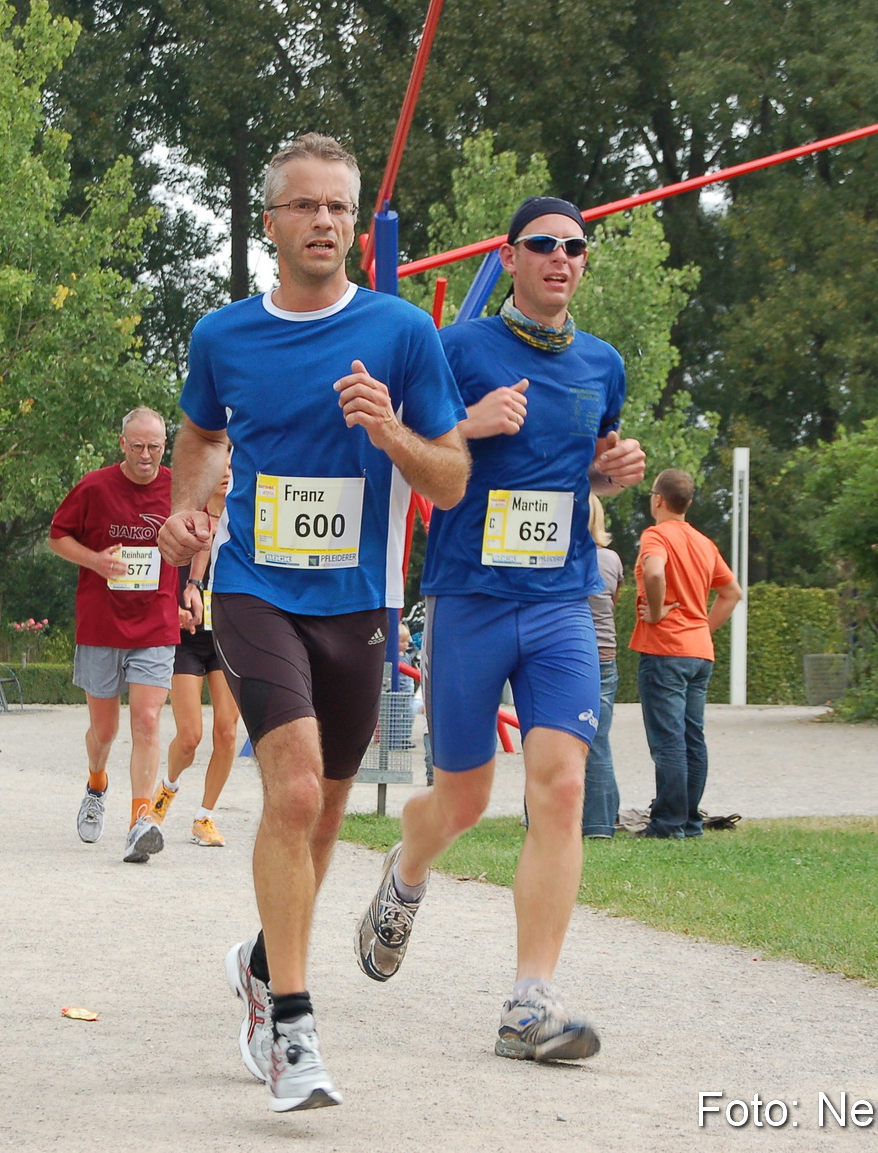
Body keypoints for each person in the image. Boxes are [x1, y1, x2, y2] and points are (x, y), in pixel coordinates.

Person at [159, 132, 468, 1112]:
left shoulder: (401, 333)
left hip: (359, 604)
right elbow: (203, 435)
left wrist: (390, 432)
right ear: (271, 224)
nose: (326, 222)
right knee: (290, 792)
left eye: (340, 207)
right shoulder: (224, 335)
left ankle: (260, 958)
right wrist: (190, 504)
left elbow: (452, 477)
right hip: (254, 588)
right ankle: (292, 1022)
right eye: (307, 206)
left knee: (325, 812)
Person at [353, 195, 645, 1065]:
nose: (561, 258)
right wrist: (469, 426)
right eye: (543, 245)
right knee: (468, 796)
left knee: (558, 784)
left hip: (561, 602)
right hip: (470, 597)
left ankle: (530, 1000)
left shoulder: (603, 364)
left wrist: (614, 472)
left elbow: (583, 466)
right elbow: (389, 445)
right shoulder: (456, 349)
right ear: (511, 258)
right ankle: (407, 871)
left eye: (575, 247)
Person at [48, 406, 181, 864]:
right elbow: (57, 537)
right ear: (122, 444)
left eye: (156, 447)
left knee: (146, 720)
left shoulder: (178, 487)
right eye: (138, 446)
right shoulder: (94, 486)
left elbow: (203, 532)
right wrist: (97, 561)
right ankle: (96, 782)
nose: (147, 456)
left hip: (156, 622)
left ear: (166, 445)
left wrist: (196, 584)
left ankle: (140, 822)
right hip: (102, 622)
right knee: (104, 730)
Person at [629, 469, 742, 839]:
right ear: (688, 503)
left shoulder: (656, 535)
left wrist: (659, 612)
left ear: (657, 499)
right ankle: (691, 821)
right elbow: (732, 594)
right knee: (693, 737)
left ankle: (668, 823)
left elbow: (655, 572)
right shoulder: (703, 542)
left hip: (664, 651)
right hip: (699, 653)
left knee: (668, 741)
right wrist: (702, 629)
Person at [156, 465, 239, 847]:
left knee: (226, 731)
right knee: (190, 736)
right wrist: (172, 609)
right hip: (187, 638)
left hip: (230, 636)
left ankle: (204, 817)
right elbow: (159, 573)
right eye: (218, 466)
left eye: (231, 466)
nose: (225, 473)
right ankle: (164, 792)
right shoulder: (187, 517)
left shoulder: (246, 517)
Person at [582, 495, 625, 839]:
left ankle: (537, 818)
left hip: (573, 653)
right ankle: (601, 822)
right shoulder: (611, 559)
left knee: (547, 736)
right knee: (599, 740)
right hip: (606, 654)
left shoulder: (565, 556)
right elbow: (612, 602)